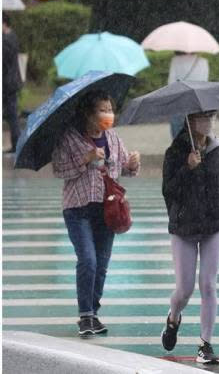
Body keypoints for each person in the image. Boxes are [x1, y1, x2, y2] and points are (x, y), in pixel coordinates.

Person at [51, 89, 140, 337]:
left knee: (101, 264)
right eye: (103, 109)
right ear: (89, 114)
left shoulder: (112, 137)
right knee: (88, 260)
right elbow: (59, 170)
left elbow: (123, 168)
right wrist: (85, 159)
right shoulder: (69, 137)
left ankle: (94, 312)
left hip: (107, 210)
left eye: (110, 109)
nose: (108, 114)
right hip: (77, 209)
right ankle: (85, 315)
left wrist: (132, 164)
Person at [160, 110, 219, 365]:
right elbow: (168, 191)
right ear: (190, 122)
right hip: (184, 228)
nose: (209, 121)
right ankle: (173, 318)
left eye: (212, 116)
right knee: (184, 289)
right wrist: (187, 168)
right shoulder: (174, 152)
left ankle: (205, 344)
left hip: (214, 225)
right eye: (204, 117)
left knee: (209, 284)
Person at [167, 51, 210, 138]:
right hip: (198, 100)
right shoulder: (203, 61)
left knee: (178, 131)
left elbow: (171, 83)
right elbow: (205, 83)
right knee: (198, 131)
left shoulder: (176, 61)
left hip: (179, 100)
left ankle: (180, 150)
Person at [3, 12, 23, 153]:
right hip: (9, 83)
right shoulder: (10, 37)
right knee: (11, 115)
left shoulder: (8, 39)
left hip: (8, 84)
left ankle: (17, 144)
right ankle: (16, 144)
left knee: (12, 115)